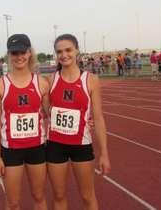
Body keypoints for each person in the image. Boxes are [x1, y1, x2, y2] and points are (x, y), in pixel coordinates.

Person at [46, 34, 111, 210]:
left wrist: (104, 153)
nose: (64, 55)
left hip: (81, 145)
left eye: (68, 50)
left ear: (77, 51)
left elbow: (98, 117)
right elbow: (44, 112)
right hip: (55, 145)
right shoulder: (50, 80)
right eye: (59, 51)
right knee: (59, 196)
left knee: (87, 195)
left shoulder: (91, 80)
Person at [0, 34, 49, 210]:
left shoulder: (42, 83)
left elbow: (51, 114)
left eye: (23, 52)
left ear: (30, 53)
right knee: (13, 202)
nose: (19, 57)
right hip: (11, 150)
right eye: (14, 53)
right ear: (9, 55)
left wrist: (86, 120)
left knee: (39, 197)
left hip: (36, 148)